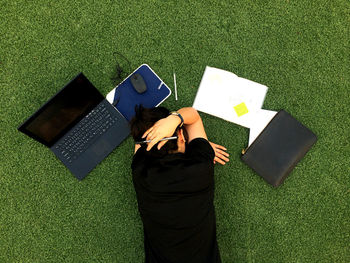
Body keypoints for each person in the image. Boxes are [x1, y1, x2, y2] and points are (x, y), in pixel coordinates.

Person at [130, 106, 229, 263]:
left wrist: (199, 145)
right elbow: (193, 116)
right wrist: (175, 120)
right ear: (182, 136)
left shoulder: (142, 172)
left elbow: (140, 142)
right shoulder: (201, 164)